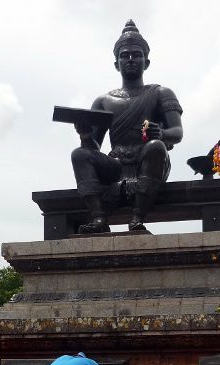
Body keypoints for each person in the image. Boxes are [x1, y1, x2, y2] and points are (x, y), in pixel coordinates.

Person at [71, 19, 183, 233]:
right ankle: (98, 218)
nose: (130, 59)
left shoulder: (161, 93)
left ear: (146, 62)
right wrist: (85, 136)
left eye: (136, 55)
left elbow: (177, 133)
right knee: (79, 154)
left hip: (149, 161)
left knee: (155, 146)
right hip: (115, 165)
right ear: (116, 64)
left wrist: (160, 133)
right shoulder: (103, 101)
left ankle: (137, 217)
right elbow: (92, 149)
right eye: (124, 56)